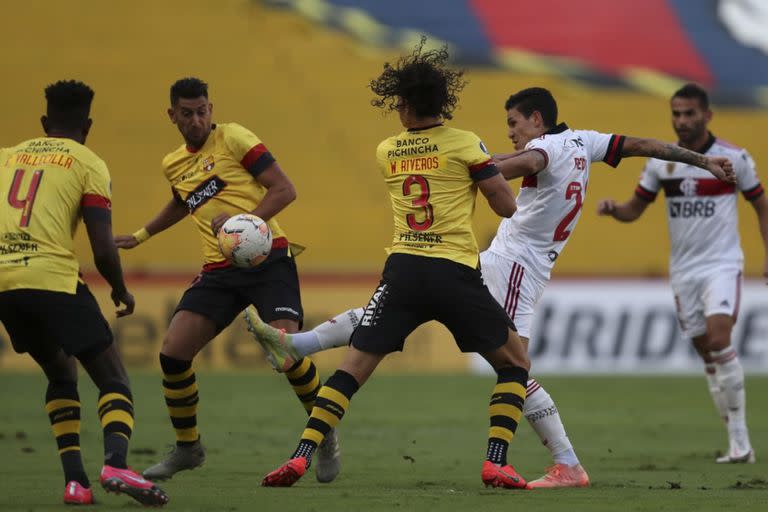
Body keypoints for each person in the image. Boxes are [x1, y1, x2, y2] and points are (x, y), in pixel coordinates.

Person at [247, 86, 736, 488]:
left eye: (515, 124)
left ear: (538, 121)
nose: (512, 132)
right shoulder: (586, 141)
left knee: (510, 364)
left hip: (512, 265)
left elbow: (506, 167)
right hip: (520, 264)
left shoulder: (541, 150)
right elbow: (645, 146)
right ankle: (566, 461)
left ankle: (567, 464)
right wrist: (703, 159)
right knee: (492, 354)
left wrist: (459, 160)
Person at [260, 39, 531, 490]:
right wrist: (484, 171)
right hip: (453, 271)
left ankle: (301, 455)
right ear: (442, 100)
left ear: (404, 104)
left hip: (403, 269)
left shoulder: (388, 150)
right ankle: (496, 462)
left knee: (350, 371)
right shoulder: (466, 144)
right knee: (515, 362)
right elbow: (504, 206)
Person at [114, 77, 340, 483]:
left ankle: (323, 435)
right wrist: (142, 235)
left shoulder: (235, 138)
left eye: (202, 111)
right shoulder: (174, 163)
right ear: (172, 116)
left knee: (286, 351)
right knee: (173, 353)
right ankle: (188, 447)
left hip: (270, 258)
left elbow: (285, 189)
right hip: (219, 270)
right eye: (187, 114)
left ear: (211, 109)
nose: (197, 120)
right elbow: (184, 200)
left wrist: (245, 221)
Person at [0, 80, 168, 506]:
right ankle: (115, 463)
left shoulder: (5, 158)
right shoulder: (88, 162)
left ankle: (75, 483)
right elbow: (101, 244)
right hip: (53, 278)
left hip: (4, 283)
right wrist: (120, 289)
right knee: (113, 378)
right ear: (87, 125)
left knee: (60, 374)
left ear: (43, 122)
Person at [598, 83, 765, 464]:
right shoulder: (661, 162)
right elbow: (635, 209)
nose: (682, 120)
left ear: (707, 115)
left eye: (689, 113)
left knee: (720, 339)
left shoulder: (735, 158)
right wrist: (614, 209)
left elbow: (762, 205)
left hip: (722, 264)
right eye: (676, 113)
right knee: (704, 350)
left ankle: (741, 441)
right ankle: (733, 436)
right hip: (684, 270)